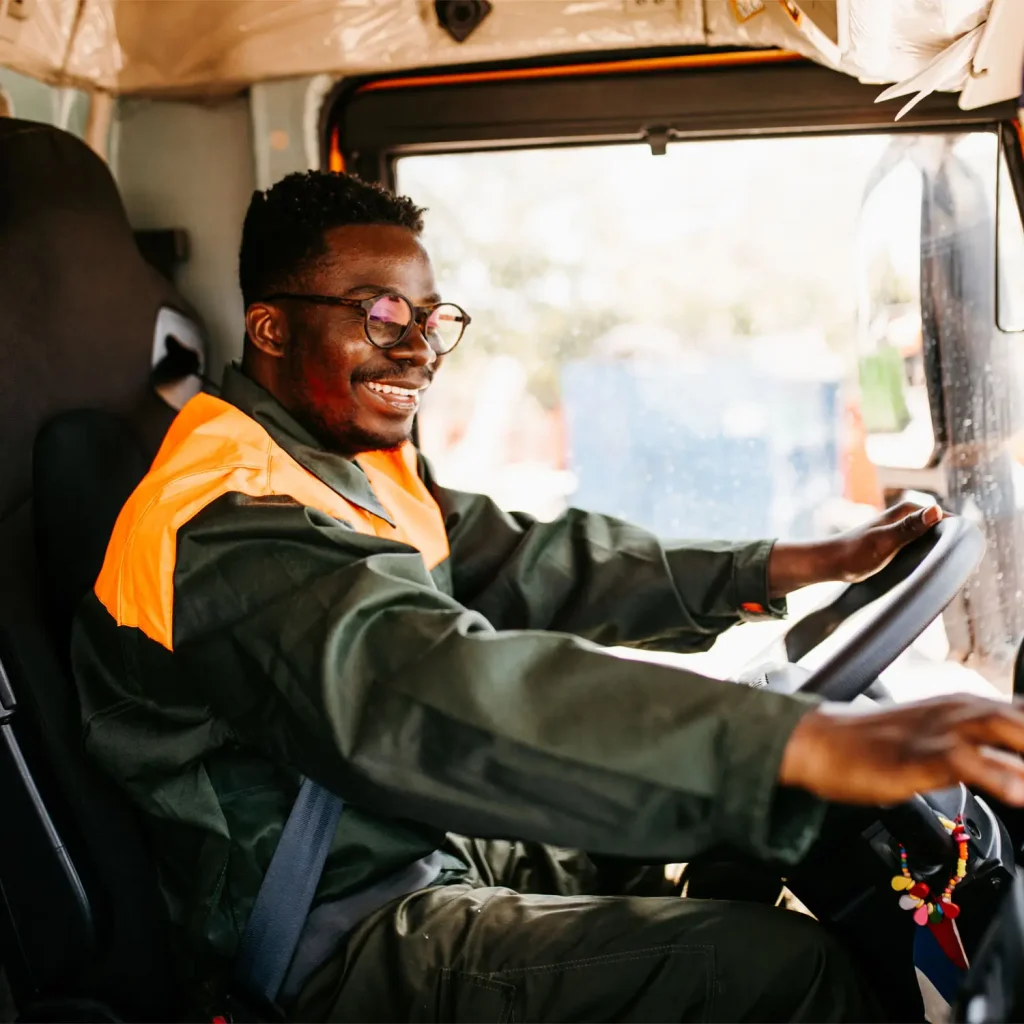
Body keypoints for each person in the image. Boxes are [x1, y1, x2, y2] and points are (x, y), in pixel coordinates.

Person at [71, 171, 1024, 1024]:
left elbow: (540, 561)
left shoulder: (345, 465)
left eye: (431, 319)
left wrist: (790, 563)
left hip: (424, 842)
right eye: (379, 315)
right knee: (788, 974)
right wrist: (802, 743)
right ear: (273, 328)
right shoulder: (228, 519)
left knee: (751, 856)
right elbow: (434, 690)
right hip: (339, 929)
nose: (417, 352)